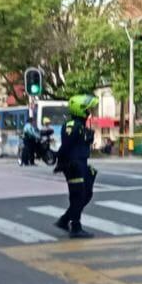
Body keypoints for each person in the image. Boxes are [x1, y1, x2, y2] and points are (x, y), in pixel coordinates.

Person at [53, 95, 99, 239]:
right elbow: (66, 145)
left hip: (82, 163)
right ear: (80, 110)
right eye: (87, 109)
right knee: (78, 196)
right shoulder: (72, 125)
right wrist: (60, 161)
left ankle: (65, 220)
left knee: (86, 194)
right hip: (74, 164)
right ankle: (75, 227)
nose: (89, 112)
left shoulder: (80, 125)